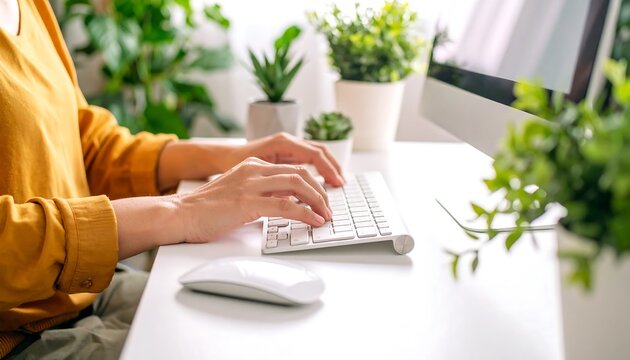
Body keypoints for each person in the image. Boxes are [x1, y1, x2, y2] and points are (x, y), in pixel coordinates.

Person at [0, 0, 342, 358]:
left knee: (265, 331)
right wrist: (181, 211)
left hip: (84, 294)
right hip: (17, 337)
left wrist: (227, 156)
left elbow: (87, 147)